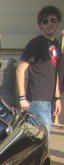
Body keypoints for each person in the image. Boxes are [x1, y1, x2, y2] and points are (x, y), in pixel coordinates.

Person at [16, 5, 62, 133]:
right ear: (40, 25)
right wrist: (22, 97)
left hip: (50, 100)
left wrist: (57, 99)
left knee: (41, 138)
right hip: (37, 100)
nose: (49, 24)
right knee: (43, 137)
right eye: (45, 21)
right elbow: (20, 69)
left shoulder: (56, 44)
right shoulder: (35, 43)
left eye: (53, 20)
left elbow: (55, 73)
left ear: (58, 22)